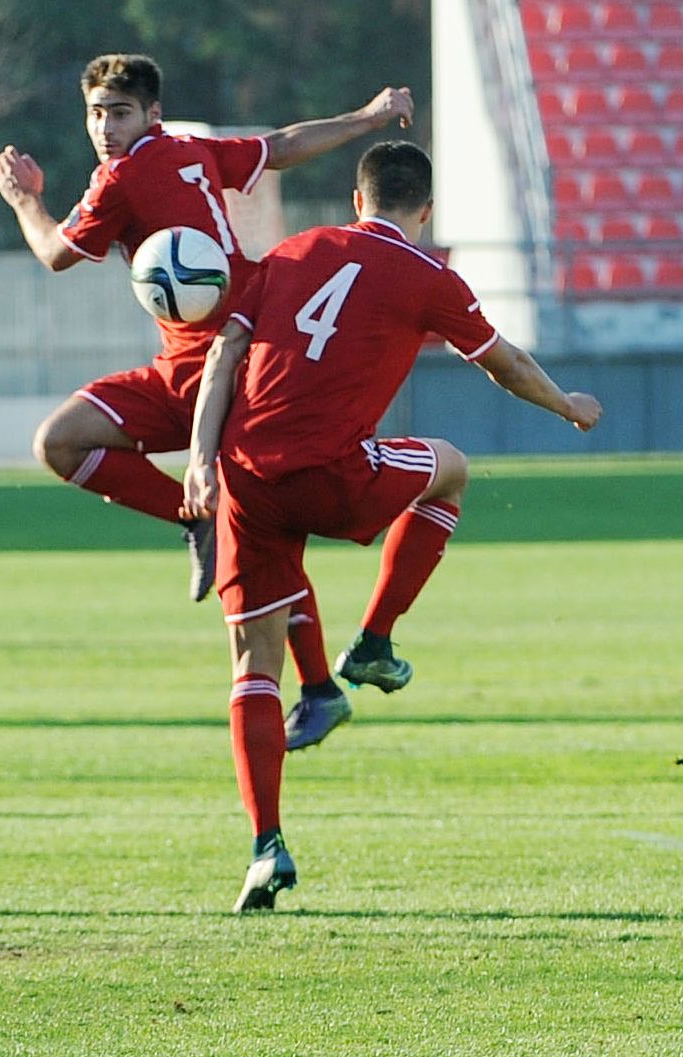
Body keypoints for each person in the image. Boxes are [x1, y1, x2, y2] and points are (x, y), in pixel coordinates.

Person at [182, 141, 602, 911]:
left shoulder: (292, 250)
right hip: (331, 474)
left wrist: (199, 459)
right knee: (449, 467)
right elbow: (502, 362)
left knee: (251, 666)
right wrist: (566, 405)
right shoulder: (425, 275)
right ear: (426, 211)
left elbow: (224, 352)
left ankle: (263, 846)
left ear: (355, 199)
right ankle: (373, 642)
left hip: (245, 476)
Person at [0, 54, 416, 716]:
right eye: (95, 114)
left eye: (120, 113)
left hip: (228, 362)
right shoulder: (189, 148)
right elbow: (277, 149)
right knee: (63, 441)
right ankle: (199, 529)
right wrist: (364, 117)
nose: (105, 127)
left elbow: (53, 253)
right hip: (185, 363)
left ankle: (312, 687)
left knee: (256, 530)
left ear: (151, 114)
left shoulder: (120, 179)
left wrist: (25, 201)